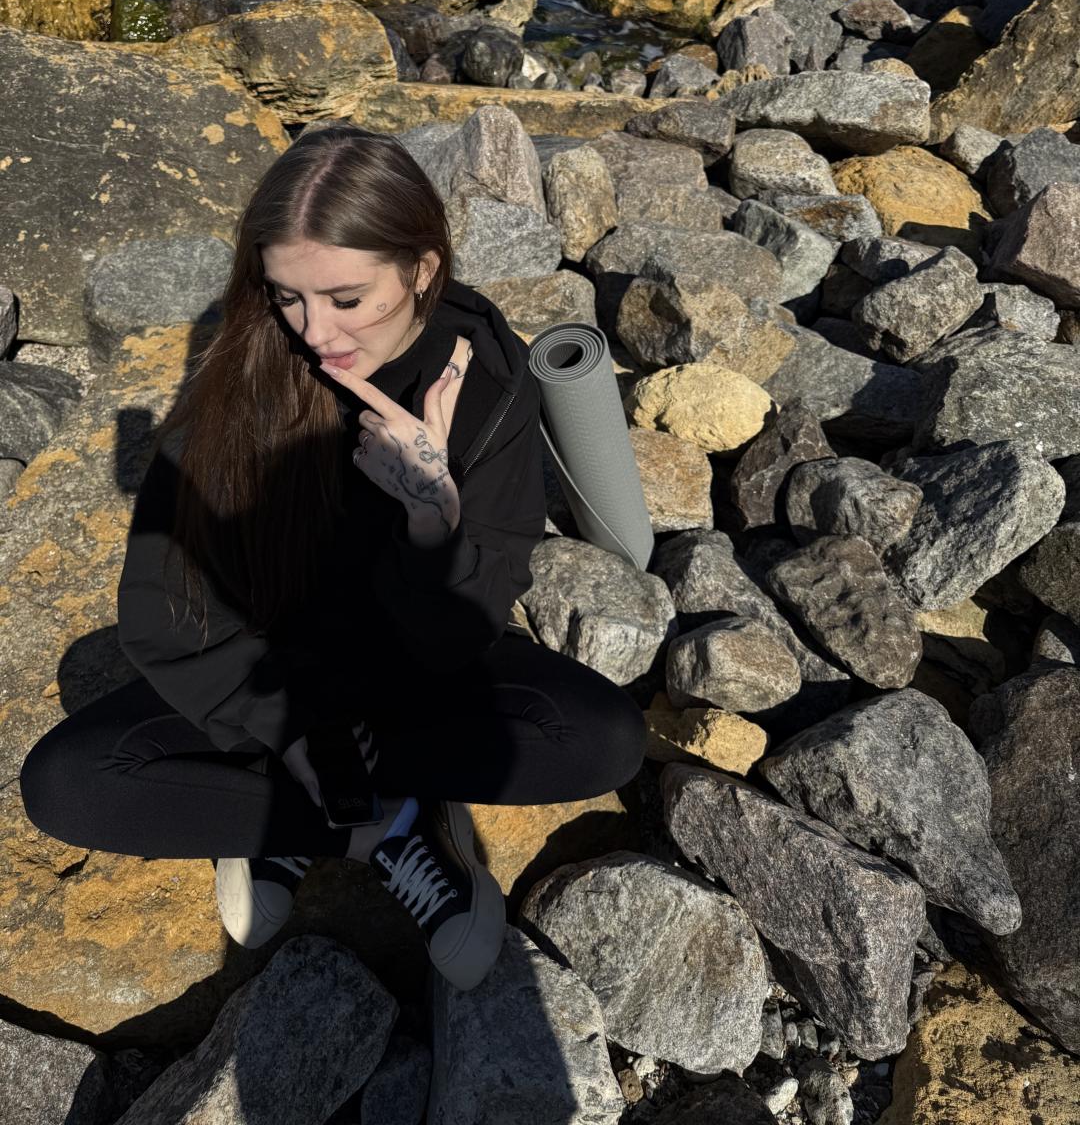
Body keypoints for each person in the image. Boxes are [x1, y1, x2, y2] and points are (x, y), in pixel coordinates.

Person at [18, 122, 647, 993]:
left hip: (411, 673)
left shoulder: (487, 381)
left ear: (422, 269)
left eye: (348, 298)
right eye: (288, 296)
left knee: (601, 740)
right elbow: (164, 606)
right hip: (270, 668)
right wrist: (286, 732)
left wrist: (432, 517)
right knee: (66, 787)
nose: (315, 332)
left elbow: (472, 618)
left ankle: (294, 811)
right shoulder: (246, 365)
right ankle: (386, 827)